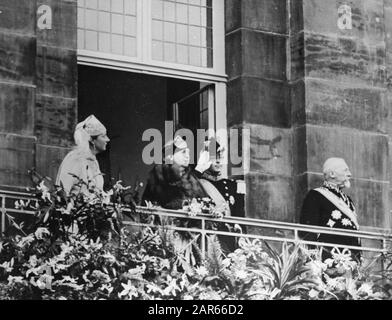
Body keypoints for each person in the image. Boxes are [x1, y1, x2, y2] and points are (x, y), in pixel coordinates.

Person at [300, 157, 361, 262]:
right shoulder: (316, 195)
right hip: (328, 259)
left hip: (350, 260)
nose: (349, 174)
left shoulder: (348, 200)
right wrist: (313, 261)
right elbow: (308, 231)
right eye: (345, 170)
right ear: (332, 174)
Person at [194, 138, 245, 253]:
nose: (218, 161)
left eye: (220, 158)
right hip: (208, 241)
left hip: (229, 240)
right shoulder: (197, 183)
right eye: (213, 158)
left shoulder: (232, 186)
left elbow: (239, 217)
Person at [142, 135, 208, 210]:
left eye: (188, 153)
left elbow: (205, 204)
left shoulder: (192, 179)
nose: (187, 156)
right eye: (183, 152)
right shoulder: (157, 178)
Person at [56, 115, 110, 196]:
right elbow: (62, 192)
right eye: (103, 136)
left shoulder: (94, 161)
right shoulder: (75, 158)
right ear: (92, 140)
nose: (107, 139)